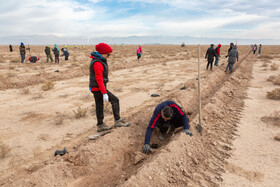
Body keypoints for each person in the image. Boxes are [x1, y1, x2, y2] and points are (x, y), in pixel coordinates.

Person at [89, 43, 130, 132]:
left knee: (99, 105)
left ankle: (100, 125)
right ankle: (117, 120)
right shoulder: (97, 63)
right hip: (98, 88)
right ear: (103, 53)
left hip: (96, 87)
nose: (109, 56)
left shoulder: (100, 60)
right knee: (115, 100)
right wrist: (104, 92)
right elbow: (99, 79)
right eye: (108, 54)